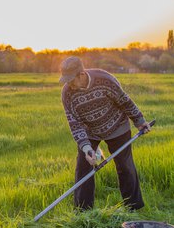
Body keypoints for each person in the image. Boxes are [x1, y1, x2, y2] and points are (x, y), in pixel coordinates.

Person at [59, 56, 150, 211]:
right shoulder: (67, 93)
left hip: (117, 126)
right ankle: (83, 212)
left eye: (71, 80)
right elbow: (74, 123)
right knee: (83, 168)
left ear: (81, 74)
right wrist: (87, 149)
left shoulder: (105, 79)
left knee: (125, 166)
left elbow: (125, 101)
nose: (69, 84)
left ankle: (133, 208)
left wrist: (139, 121)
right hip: (90, 132)